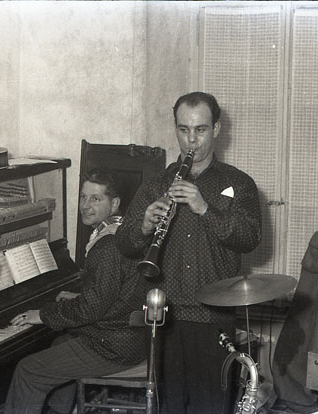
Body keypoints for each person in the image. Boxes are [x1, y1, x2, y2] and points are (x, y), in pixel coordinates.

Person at [115, 91, 262, 414]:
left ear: (217, 129)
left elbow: (250, 238)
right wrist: (144, 225)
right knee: (167, 407)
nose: (191, 140)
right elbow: (124, 243)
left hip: (213, 315)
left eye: (200, 130)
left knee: (211, 407)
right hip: (164, 316)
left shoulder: (239, 183)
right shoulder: (156, 184)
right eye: (183, 130)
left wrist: (204, 207)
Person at [3, 167, 148, 414]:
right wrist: (81, 297)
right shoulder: (122, 232)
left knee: (29, 370)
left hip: (114, 347)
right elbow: (111, 291)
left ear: (114, 204)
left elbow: (90, 309)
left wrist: (43, 314)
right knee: (60, 342)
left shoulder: (108, 246)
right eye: (83, 197)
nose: (85, 206)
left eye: (95, 199)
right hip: (128, 337)